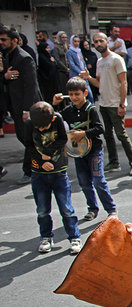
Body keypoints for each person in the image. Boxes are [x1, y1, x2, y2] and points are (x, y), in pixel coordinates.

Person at [52, 77, 117, 221]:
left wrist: (84, 133)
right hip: (79, 153)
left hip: (94, 150)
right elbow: (55, 120)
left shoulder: (91, 110)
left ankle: (111, 209)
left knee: (98, 180)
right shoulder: (68, 111)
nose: (74, 97)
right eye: (71, 94)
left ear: (85, 93)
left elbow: (100, 128)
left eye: (77, 94)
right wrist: (55, 105)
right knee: (84, 182)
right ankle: (92, 209)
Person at [24, 101, 82, 255]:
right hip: (39, 172)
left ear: (51, 120)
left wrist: (48, 154)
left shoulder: (57, 119)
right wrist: (41, 161)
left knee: (66, 208)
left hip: (58, 170)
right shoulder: (30, 123)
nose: (41, 129)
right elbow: (28, 145)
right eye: (39, 128)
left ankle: (74, 237)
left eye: (44, 127)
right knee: (42, 210)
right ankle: (46, 236)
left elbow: (63, 139)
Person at [80, 32, 132, 176]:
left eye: (101, 41)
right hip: (104, 103)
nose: (98, 44)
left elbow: (123, 82)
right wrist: (88, 78)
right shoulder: (100, 62)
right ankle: (114, 162)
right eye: (95, 42)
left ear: (107, 42)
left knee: (121, 134)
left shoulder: (116, 59)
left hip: (115, 104)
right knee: (107, 134)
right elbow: (99, 83)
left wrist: (122, 104)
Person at [1, 25, 42, 185]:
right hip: (14, 106)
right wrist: (5, 76)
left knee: (28, 138)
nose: (1, 42)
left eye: (4, 40)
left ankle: (30, 171)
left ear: (15, 40)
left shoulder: (24, 58)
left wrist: (27, 109)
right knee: (25, 138)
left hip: (26, 107)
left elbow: (31, 85)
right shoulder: (8, 56)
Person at [67, 35, 94, 104]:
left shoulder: (79, 51)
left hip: (84, 75)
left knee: (89, 94)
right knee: (76, 94)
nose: (76, 43)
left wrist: (85, 71)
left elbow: (83, 62)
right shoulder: (70, 52)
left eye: (78, 41)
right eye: (75, 41)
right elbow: (72, 64)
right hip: (76, 75)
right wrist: (80, 72)